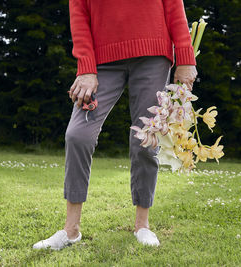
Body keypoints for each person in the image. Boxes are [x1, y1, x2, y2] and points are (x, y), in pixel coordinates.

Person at [33, 0, 197, 250]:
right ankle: (71, 230)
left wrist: (185, 58)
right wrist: (85, 68)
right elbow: (79, 16)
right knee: (78, 135)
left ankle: (142, 225)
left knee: (146, 140)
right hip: (102, 60)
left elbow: (174, 6)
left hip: (153, 55)